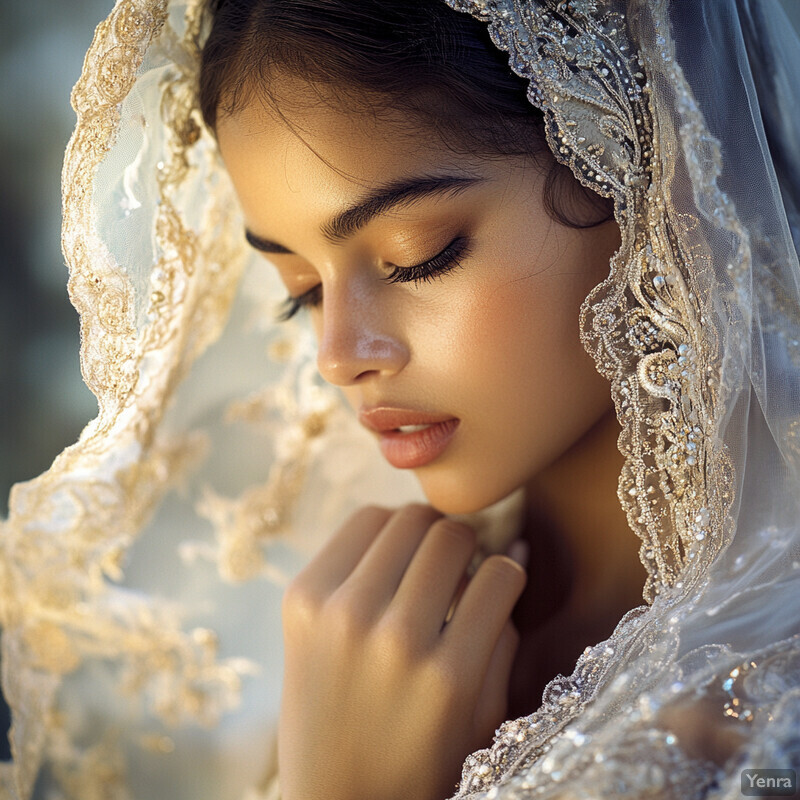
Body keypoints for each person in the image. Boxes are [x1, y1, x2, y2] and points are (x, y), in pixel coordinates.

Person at [1, 0, 799, 798]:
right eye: (300, 290)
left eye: (419, 257)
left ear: (654, 176)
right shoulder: (364, 642)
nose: (339, 356)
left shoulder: (755, 724)